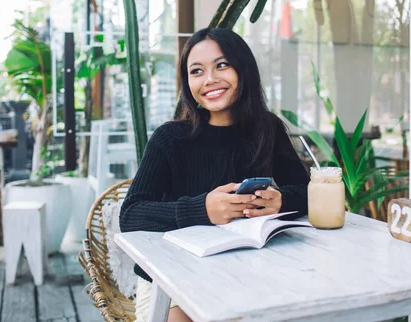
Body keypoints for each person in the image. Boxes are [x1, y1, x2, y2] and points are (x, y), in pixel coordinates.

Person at [119, 27, 310, 322]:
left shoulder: (267, 129)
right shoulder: (169, 138)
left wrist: (280, 201)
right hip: (172, 280)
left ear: (243, 69)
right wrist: (202, 209)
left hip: (249, 272)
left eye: (222, 65)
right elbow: (131, 215)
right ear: (188, 83)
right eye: (197, 71)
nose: (210, 80)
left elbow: (307, 191)